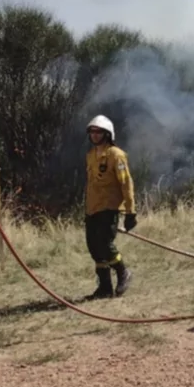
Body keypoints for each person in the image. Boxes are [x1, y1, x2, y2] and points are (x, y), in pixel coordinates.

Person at [84, 115, 136, 299]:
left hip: (109, 207)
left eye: (99, 132)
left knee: (106, 245)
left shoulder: (116, 155)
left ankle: (123, 272)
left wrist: (130, 212)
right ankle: (105, 287)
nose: (95, 135)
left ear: (107, 134)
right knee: (94, 247)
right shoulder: (90, 156)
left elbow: (126, 183)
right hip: (92, 209)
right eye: (92, 132)